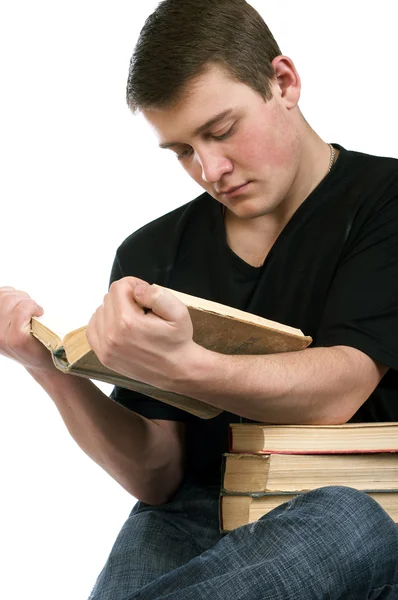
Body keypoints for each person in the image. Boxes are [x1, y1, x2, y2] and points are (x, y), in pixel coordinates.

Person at [1, 0, 398, 598]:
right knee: (150, 541)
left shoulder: (386, 202)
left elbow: (342, 387)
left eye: (221, 130)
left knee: (341, 521)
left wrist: (188, 366)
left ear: (283, 83)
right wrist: (50, 371)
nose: (210, 169)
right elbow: (156, 476)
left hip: (360, 506)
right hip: (198, 509)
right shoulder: (152, 252)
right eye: (182, 151)